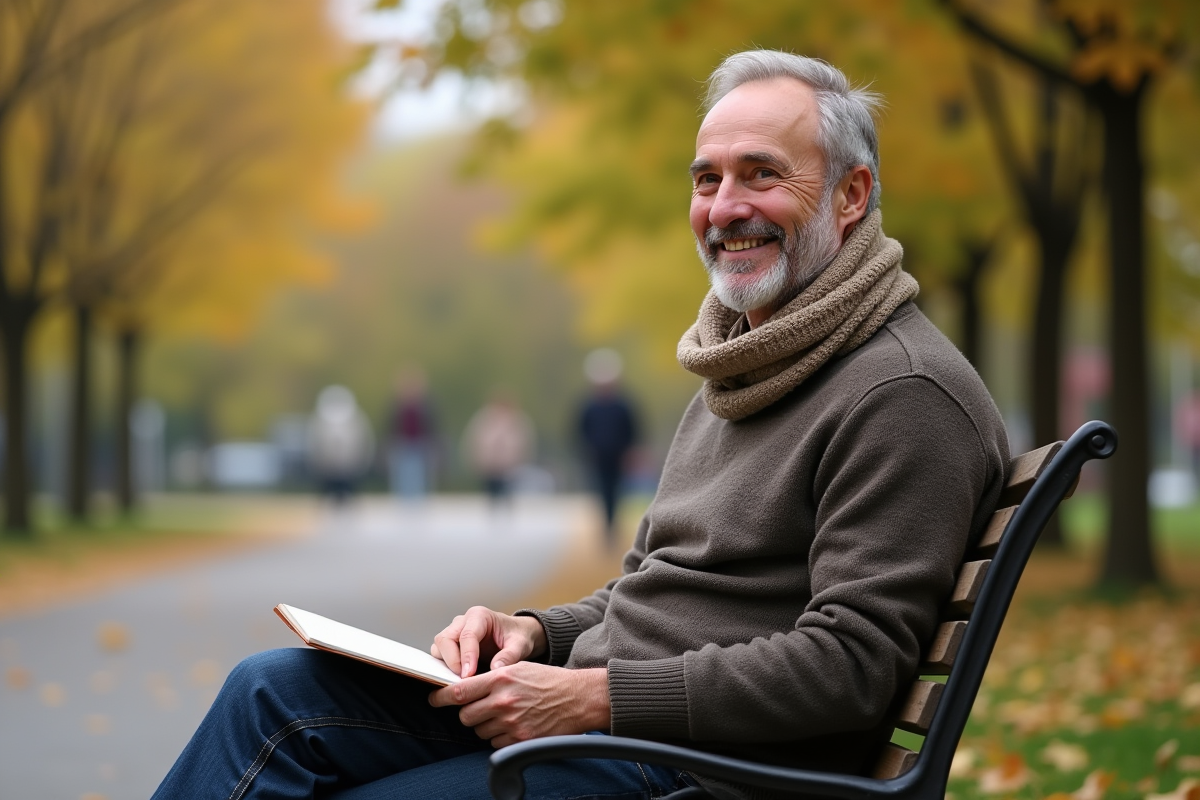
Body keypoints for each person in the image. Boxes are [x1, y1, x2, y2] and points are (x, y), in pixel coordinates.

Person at [152, 50, 1010, 800]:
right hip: (620, 727)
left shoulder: (900, 391)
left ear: (851, 194)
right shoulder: (751, 362)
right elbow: (652, 587)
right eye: (706, 179)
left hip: (705, 768)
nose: (724, 206)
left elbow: (852, 666)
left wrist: (596, 695)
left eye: (760, 173)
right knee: (272, 694)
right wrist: (534, 632)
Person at [576, 348, 640, 548]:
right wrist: (586, 450)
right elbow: (580, 431)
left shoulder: (623, 405)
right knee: (602, 492)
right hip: (598, 458)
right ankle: (606, 528)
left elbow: (632, 430)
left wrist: (630, 452)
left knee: (616, 492)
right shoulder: (589, 406)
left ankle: (612, 528)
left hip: (618, 457)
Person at [461, 390, 535, 510]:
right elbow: (475, 441)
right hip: (490, 467)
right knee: (491, 497)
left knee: (508, 496)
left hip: (510, 467)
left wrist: (520, 461)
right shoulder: (484, 419)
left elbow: (525, 443)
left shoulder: (517, 420)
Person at [306, 385, 375, 505]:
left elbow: (365, 442)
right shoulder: (320, 421)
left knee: (348, 496)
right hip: (328, 468)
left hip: (349, 467)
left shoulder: (356, 420)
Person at [386, 367, 438, 501]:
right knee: (402, 477)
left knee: (419, 477)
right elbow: (390, 426)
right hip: (402, 445)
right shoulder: (396, 404)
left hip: (420, 445)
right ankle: (403, 502)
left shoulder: (426, 404)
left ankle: (418, 503)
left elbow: (432, 426)